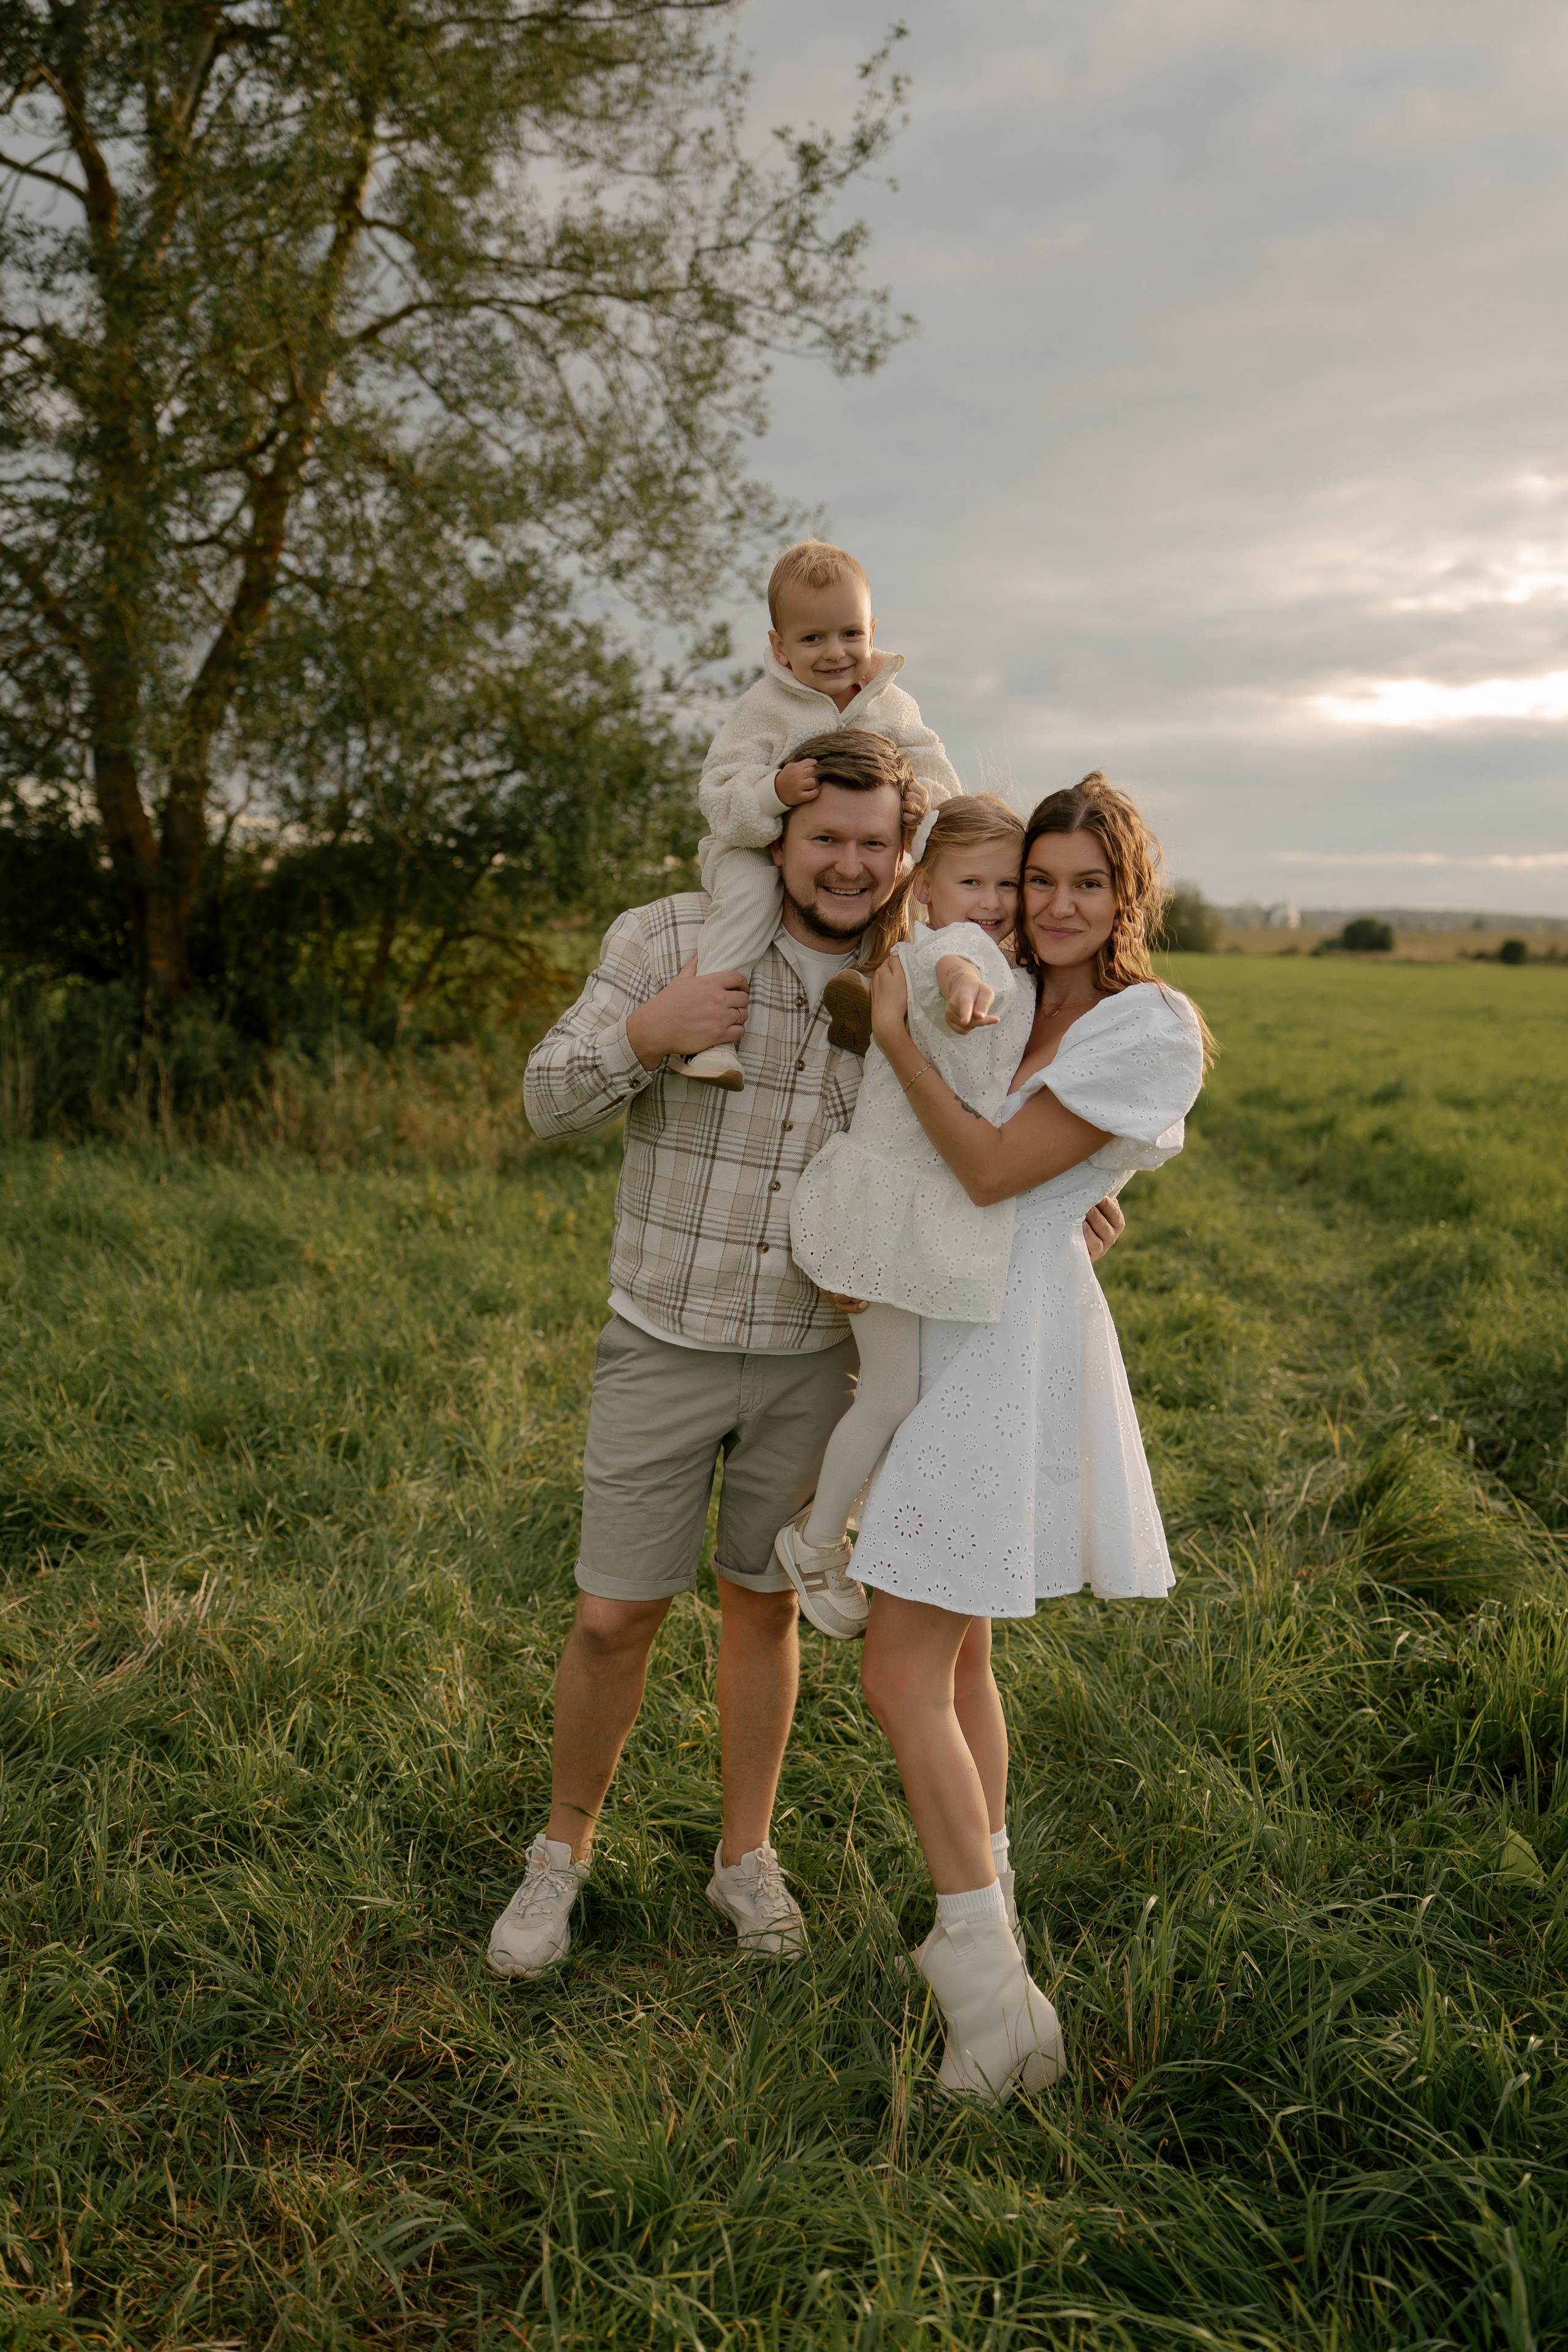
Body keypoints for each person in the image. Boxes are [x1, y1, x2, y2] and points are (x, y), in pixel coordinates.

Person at [486, 733, 1128, 1981]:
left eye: (872, 843)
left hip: (823, 1357)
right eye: (824, 838)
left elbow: (994, 1127)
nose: (847, 863)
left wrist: (1072, 1197)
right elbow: (544, 1097)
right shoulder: (673, 939)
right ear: (777, 837)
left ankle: (744, 1858)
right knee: (613, 1615)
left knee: (762, 1604)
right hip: (664, 1333)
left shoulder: (926, 970)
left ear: (906, 852)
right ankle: (558, 1855)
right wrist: (648, 1037)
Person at [853, 772, 1210, 2105]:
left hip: (1005, 1346)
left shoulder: (1144, 1023)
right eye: (1036, 880)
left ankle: (992, 1994)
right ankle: (979, 1912)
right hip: (941, 1313)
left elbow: (997, 1173)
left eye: (1082, 884)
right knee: (954, 1661)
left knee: (899, 1665)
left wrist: (891, 1040)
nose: (1051, 906)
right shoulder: (1000, 984)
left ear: (1126, 897)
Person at [777, 795, 1035, 1627]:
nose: (992, 903)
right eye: (972, 882)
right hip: (889, 1204)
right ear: (925, 886)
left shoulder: (974, 952)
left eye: (1006, 885)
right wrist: (966, 995)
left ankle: (861, 1528)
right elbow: (960, 971)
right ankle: (817, 1544)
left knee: (906, 1391)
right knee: (892, 1393)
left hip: (916, 1205)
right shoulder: (952, 953)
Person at [670, 538, 960, 1090]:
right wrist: (773, 793)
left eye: (850, 633)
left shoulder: (893, 705)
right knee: (750, 900)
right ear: (780, 648)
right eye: (812, 638)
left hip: (862, 851)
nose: (835, 652)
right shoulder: (765, 707)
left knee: (908, 901)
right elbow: (718, 792)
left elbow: (936, 769)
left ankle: (873, 1003)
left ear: (873, 630)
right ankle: (708, 1036)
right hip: (752, 846)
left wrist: (925, 799)